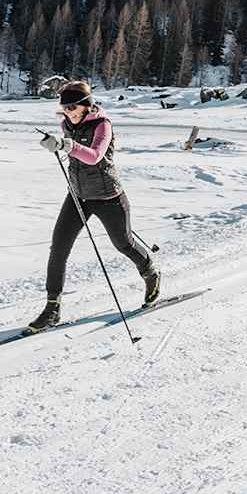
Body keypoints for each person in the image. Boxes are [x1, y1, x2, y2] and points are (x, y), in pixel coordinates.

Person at [29, 81, 160, 333]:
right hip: (78, 195)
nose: (69, 112)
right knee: (58, 247)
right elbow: (72, 154)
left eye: (73, 107)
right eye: (65, 108)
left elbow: (94, 156)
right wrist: (54, 145)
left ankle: (150, 272)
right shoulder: (66, 124)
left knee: (124, 243)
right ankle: (52, 308)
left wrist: (67, 145)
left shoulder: (103, 125)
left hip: (108, 196)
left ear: (87, 105)